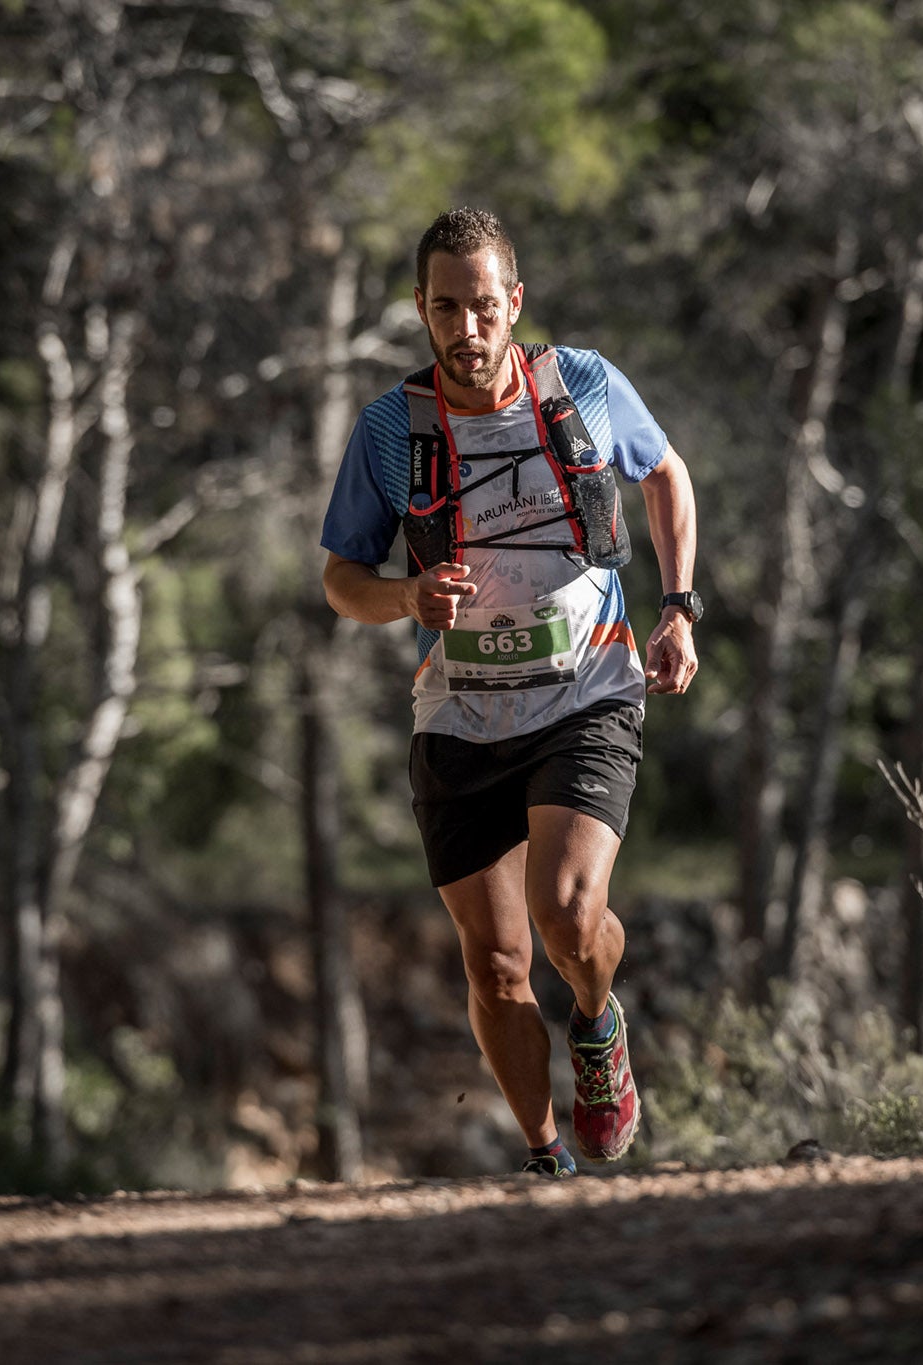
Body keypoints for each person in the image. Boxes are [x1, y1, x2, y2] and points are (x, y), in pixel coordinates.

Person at [320, 207, 701, 1176]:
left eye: (484, 306)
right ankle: (543, 1157)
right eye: (446, 308)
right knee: (494, 967)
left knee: (568, 915)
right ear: (420, 309)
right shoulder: (386, 428)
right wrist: (406, 593)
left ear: (513, 303)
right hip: (458, 714)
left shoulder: (580, 383)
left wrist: (679, 606)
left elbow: (662, 474)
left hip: (586, 691)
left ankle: (595, 1019)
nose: (467, 328)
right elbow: (340, 580)